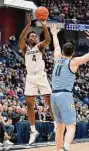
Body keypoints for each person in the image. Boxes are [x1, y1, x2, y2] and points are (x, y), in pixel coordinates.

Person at [50, 24, 89, 151]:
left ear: (62, 52)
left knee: (59, 127)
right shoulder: (73, 62)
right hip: (65, 95)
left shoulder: (57, 58)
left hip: (53, 95)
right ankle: (65, 148)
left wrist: (54, 33)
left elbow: (56, 46)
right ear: (72, 53)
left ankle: (58, 150)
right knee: (71, 126)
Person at [19, 14, 54, 145]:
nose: (34, 37)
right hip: (30, 77)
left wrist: (44, 25)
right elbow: (21, 37)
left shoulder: (40, 47)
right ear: (28, 39)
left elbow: (48, 39)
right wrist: (28, 26)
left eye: (35, 36)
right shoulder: (25, 48)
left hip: (41, 75)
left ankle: (56, 125)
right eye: (32, 36)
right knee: (29, 105)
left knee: (49, 101)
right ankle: (33, 131)